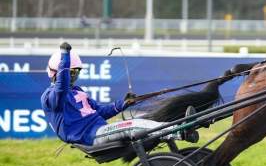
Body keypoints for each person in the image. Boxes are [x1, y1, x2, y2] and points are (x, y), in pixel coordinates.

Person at [41, 42, 195, 147]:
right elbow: (61, 88)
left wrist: (123, 104)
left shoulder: (78, 92)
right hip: (90, 137)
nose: (73, 76)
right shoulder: (50, 97)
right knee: (133, 125)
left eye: (76, 72)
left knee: (138, 122)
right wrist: (65, 56)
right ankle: (179, 131)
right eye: (70, 72)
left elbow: (100, 111)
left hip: (100, 130)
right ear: (57, 73)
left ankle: (184, 127)